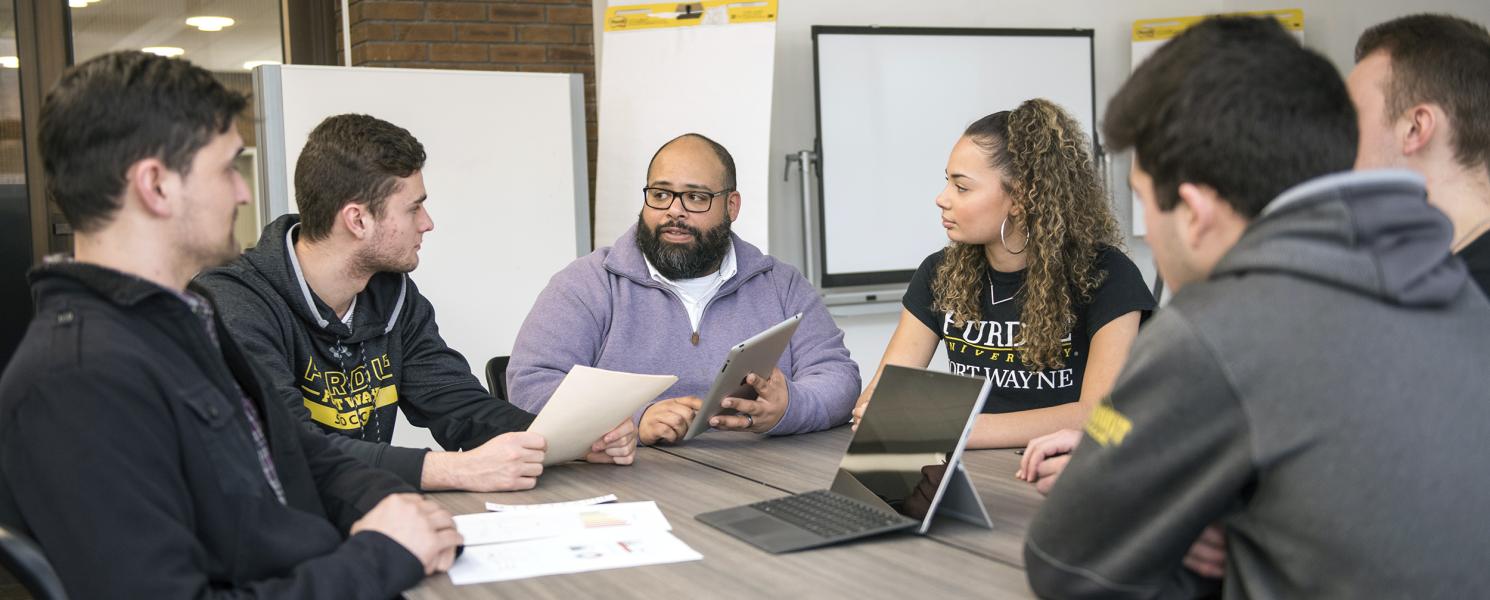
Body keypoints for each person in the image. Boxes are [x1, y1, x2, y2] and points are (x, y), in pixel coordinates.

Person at [1019, 16, 1490, 598]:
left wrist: (1182, 517)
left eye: (1143, 199)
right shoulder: (1449, 284)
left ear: (1193, 212)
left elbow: (1062, 563)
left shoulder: (1214, 327)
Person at [0, 51, 460, 598]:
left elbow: (301, 455)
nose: (243, 192)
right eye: (225, 169)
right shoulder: (76, 381)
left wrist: (395, 507)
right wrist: (381, 556)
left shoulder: (185, 320)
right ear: (157, 185)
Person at [194, 114, 635, 492]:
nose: (428, 224)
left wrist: (565, 441)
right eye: (413, 208)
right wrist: (452, 470)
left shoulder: (393, 295)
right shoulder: (233, 304)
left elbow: (457, 405)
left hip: (366, 507)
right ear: (358, 219)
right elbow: (288, 449)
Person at [507, 133, 860, 445]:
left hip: (761, 474)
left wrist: (789, 408)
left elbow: (838, 377)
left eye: (695, 197)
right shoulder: (586, 284)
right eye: (660, 194)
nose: (674, 212)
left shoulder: (780, 284)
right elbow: (530, 384)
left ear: (731, 206)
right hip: (629, 482)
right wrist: (634, 420)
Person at [852, 99, 1154, 449]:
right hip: (961, 473)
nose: (941, 198)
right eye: (947, 183)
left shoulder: (1107, 275)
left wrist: (947, 426)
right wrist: (876, 411)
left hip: (1060, 477)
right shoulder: (938, 273)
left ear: (1021, 198)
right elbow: (879, 397)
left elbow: (1099, 416)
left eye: (961, 187)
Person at [1349, 14, 1490, 294]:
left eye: (1351, 117)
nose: (1337, 137)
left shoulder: (1466, 302)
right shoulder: (1436, 283)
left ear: (1415, 128)